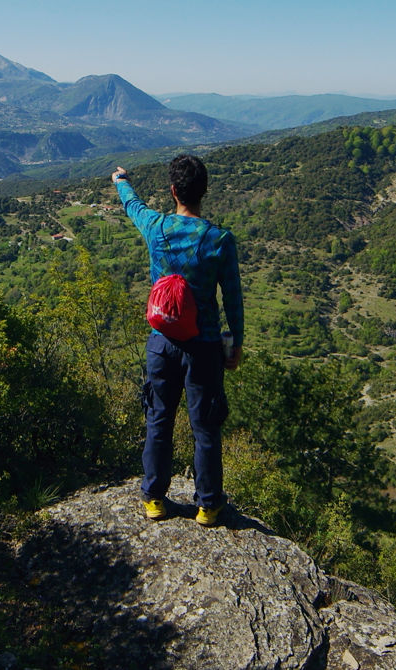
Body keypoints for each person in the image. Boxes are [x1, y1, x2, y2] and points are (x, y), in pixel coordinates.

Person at [112, 155, 243, 527]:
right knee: (205, 428)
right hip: (203, 348)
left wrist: (121, 181)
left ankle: (154, 498)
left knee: (158, 418)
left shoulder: (156, 227)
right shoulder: (219, 240)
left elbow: (133, 206)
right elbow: (232, 298)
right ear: (204, 191)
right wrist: (234, 344)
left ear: (172, 191)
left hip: (162, 341)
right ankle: (207, 505)